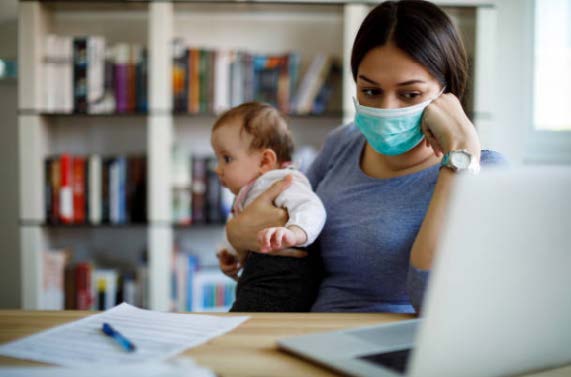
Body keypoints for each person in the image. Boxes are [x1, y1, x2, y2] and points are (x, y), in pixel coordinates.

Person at [222, 0, 506, 313]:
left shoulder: (483, 172)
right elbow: (276, 226)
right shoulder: (344, 143)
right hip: (307, 332)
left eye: (410, 94)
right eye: (370, 91)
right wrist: (236, 234)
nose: (386, 109)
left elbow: (433, 304)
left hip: (398, 349)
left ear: (446, 92)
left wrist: (459, 155)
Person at [211, 102, 326, 312]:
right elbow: (241, 226)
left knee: (242, 326)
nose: (217, 169)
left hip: (284, 282)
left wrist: (294, 233)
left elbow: (313, 207)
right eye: (217, 159)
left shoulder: (283, 181)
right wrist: (230, 252)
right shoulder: (249, 191)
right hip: (258, 280)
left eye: (227, 159)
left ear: (265, 161)